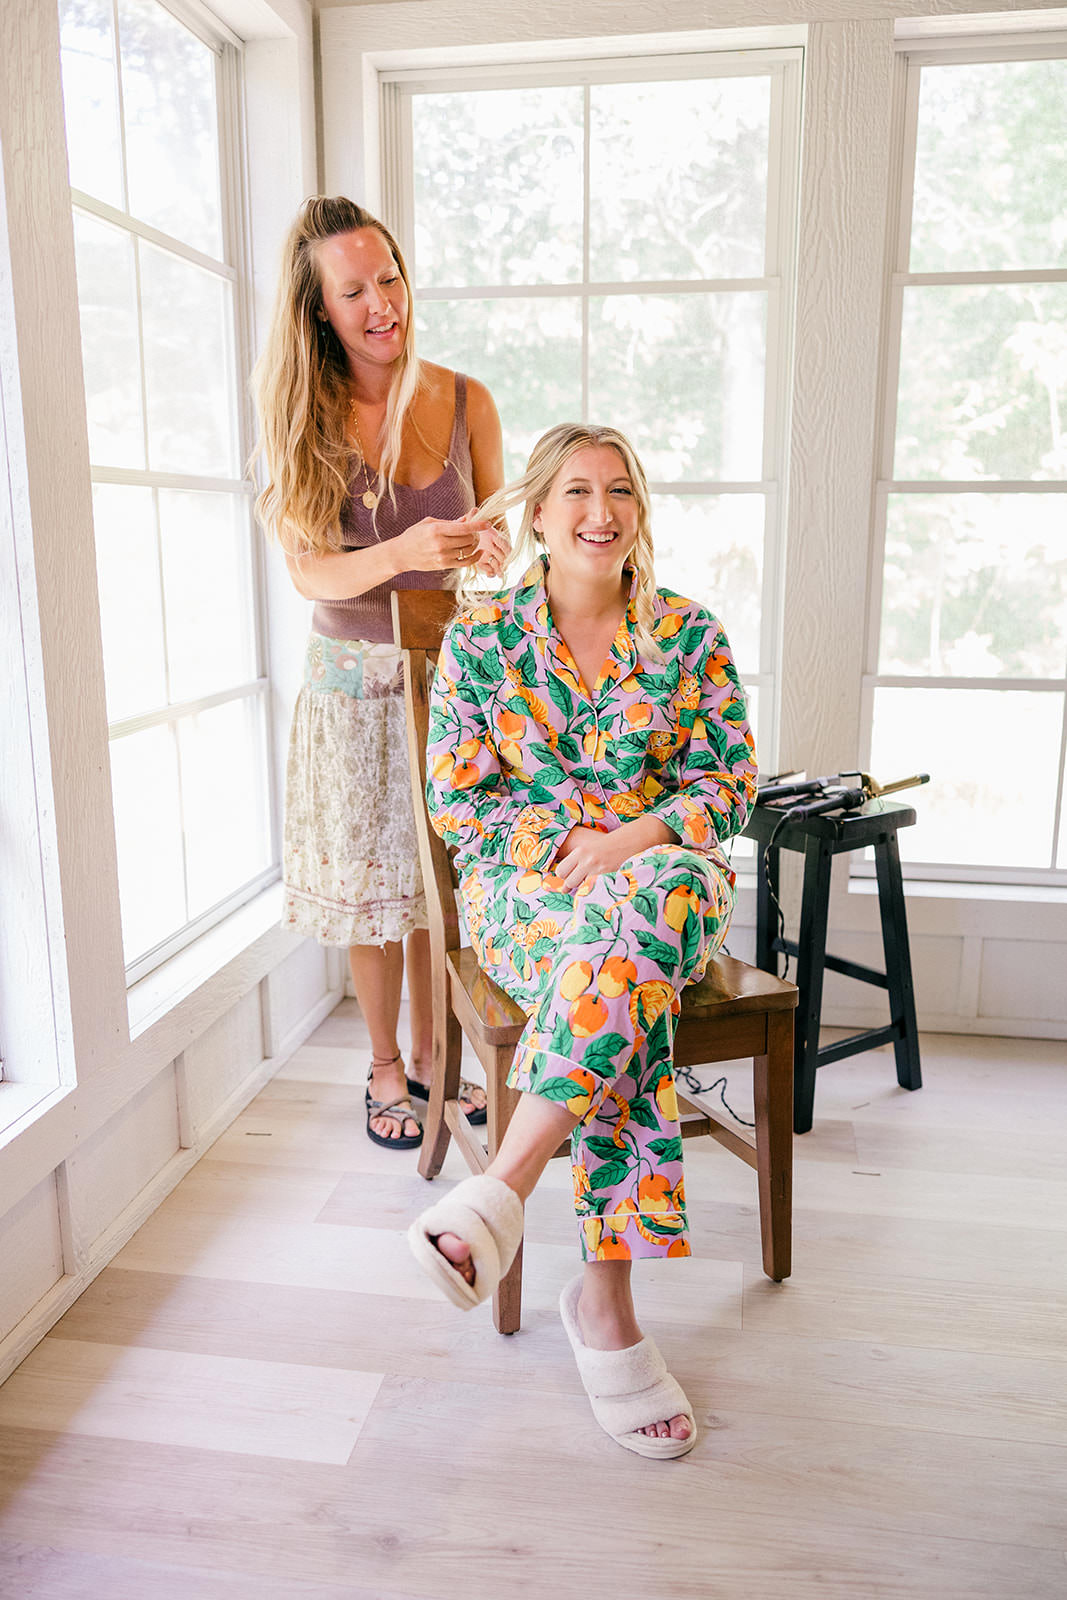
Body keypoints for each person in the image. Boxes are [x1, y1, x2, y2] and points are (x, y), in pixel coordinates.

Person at [406, 423, 757, 1459]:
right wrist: (570, 844)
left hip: (668, 877)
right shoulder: (481, 640)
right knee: (617, 973)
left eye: (619, 491)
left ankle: (498, 1194)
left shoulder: (690, 635)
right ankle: (602, 1307)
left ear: (637, 512)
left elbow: (727, 785)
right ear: (539, 514)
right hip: (531, 888)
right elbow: (457, 800)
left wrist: (632, 839)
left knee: (634, 922)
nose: (599, 511)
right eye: (575, 491)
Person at [252, 197, 508, 1150]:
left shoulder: (464, 398)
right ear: (320, 309)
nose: (380, 304)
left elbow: (497, 536)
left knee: (441, 883)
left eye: (389, 278)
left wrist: (485, 548)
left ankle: (441, 1060)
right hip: (353, 683)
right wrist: (402, 551)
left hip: (453, 676)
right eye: (353, 290)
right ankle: (385, 1069)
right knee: (374, 888)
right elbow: (309, 568)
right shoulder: (301, 413)